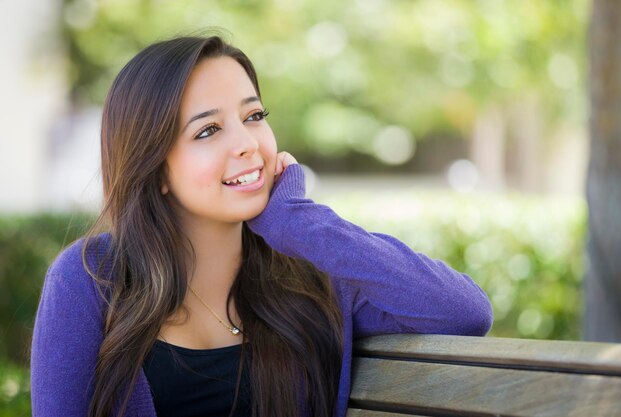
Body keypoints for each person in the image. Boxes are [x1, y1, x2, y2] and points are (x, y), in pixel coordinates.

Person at [30, 35, 493, 417]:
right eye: (208, 131)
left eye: (253, 117)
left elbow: (464, 312)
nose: (248, 143)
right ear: (156, 167)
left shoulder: (314, 276)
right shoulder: (91, 279)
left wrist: (296, 220)